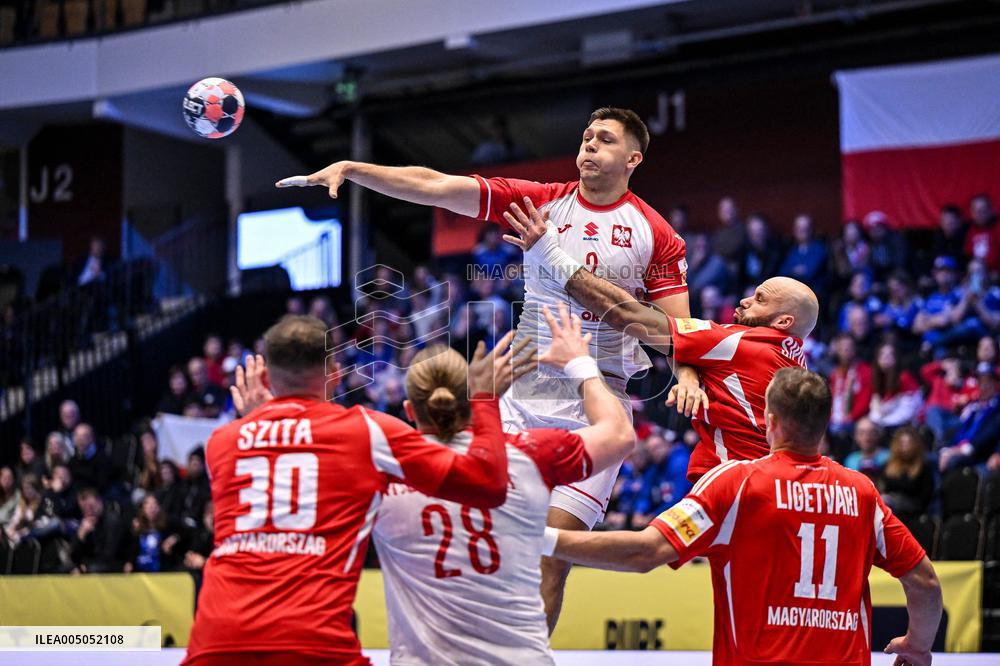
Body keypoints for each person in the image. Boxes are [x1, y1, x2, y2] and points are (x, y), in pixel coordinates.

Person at [278, 107, 699, 630]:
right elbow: (436, 185)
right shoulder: (543, 200)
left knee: (550, 558)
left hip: (596, 401)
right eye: (586, 136)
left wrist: (686, 372)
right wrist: (355, 169)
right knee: (480, 534)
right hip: (522, 391)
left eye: (604, 140)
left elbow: (679, 332)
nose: (589, 145)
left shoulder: (655, 233)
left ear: (632, 158)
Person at [182, 315, 527, 665]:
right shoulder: (366, 432)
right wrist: (484, 399)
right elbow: (488, 483)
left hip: (214, 642)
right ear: (334, 371)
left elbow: (288, 451)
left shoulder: (222, 443)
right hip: (313, 644)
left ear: (266, 377)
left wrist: (261, 417)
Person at [544, 367, 943, 666]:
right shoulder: (861, 492)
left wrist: (540, 538)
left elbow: (645, 552)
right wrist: (918, 645)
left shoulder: (736, 484)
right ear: (823, 425)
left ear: (769, 420)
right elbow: (924, 580)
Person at [369, 303, 634, 665]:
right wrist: (579, 363)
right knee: (551, 564)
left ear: (410, 410)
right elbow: (619, 434)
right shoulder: (529, 455)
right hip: (518, 658)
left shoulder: (385, 473)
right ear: (468, 399)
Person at [503, 198, 818, 482]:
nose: (747, 300)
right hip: (770, 480)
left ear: (783, 321)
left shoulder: (744, 343)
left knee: (645, 547)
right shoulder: (794, 363)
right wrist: (688, 377)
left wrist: (549, 253)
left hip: (740, 482)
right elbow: (696, 352)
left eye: (761, 299)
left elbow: (627, 316)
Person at [880, 427, 935, 525]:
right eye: (902, 444)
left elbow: (926, 495)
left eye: (908, 444)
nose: (905, 447)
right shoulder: (888, 465)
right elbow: (884, 487)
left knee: (885, 502)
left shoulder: (923, 467)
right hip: (890, 502)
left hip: (913, 506)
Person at [70, 487, 126, 574]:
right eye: (84, 509)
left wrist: (85, 566)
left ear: (100, 502)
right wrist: (81, 535)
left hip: (112, 566)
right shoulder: (84, 524)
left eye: (91, 507)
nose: (88, 511)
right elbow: (73, 556)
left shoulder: (112, 521)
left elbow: (109, 554)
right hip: (91, 565)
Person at [868, 343, 922, 429]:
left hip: (906, 424)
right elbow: (875, 408)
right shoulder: (876, 379)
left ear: (896, 358)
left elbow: (908, 411)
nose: (885, 358)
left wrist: (883, 423)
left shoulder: (905, 378)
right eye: (882, 354)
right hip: (885, 424)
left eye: (889, 355)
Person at [844, 417, 889, 481]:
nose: (866, 437)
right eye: (861, 433)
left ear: (878, 435)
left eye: (871, 433)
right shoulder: (851, 460)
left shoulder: (888, 457)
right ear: (855, 436)